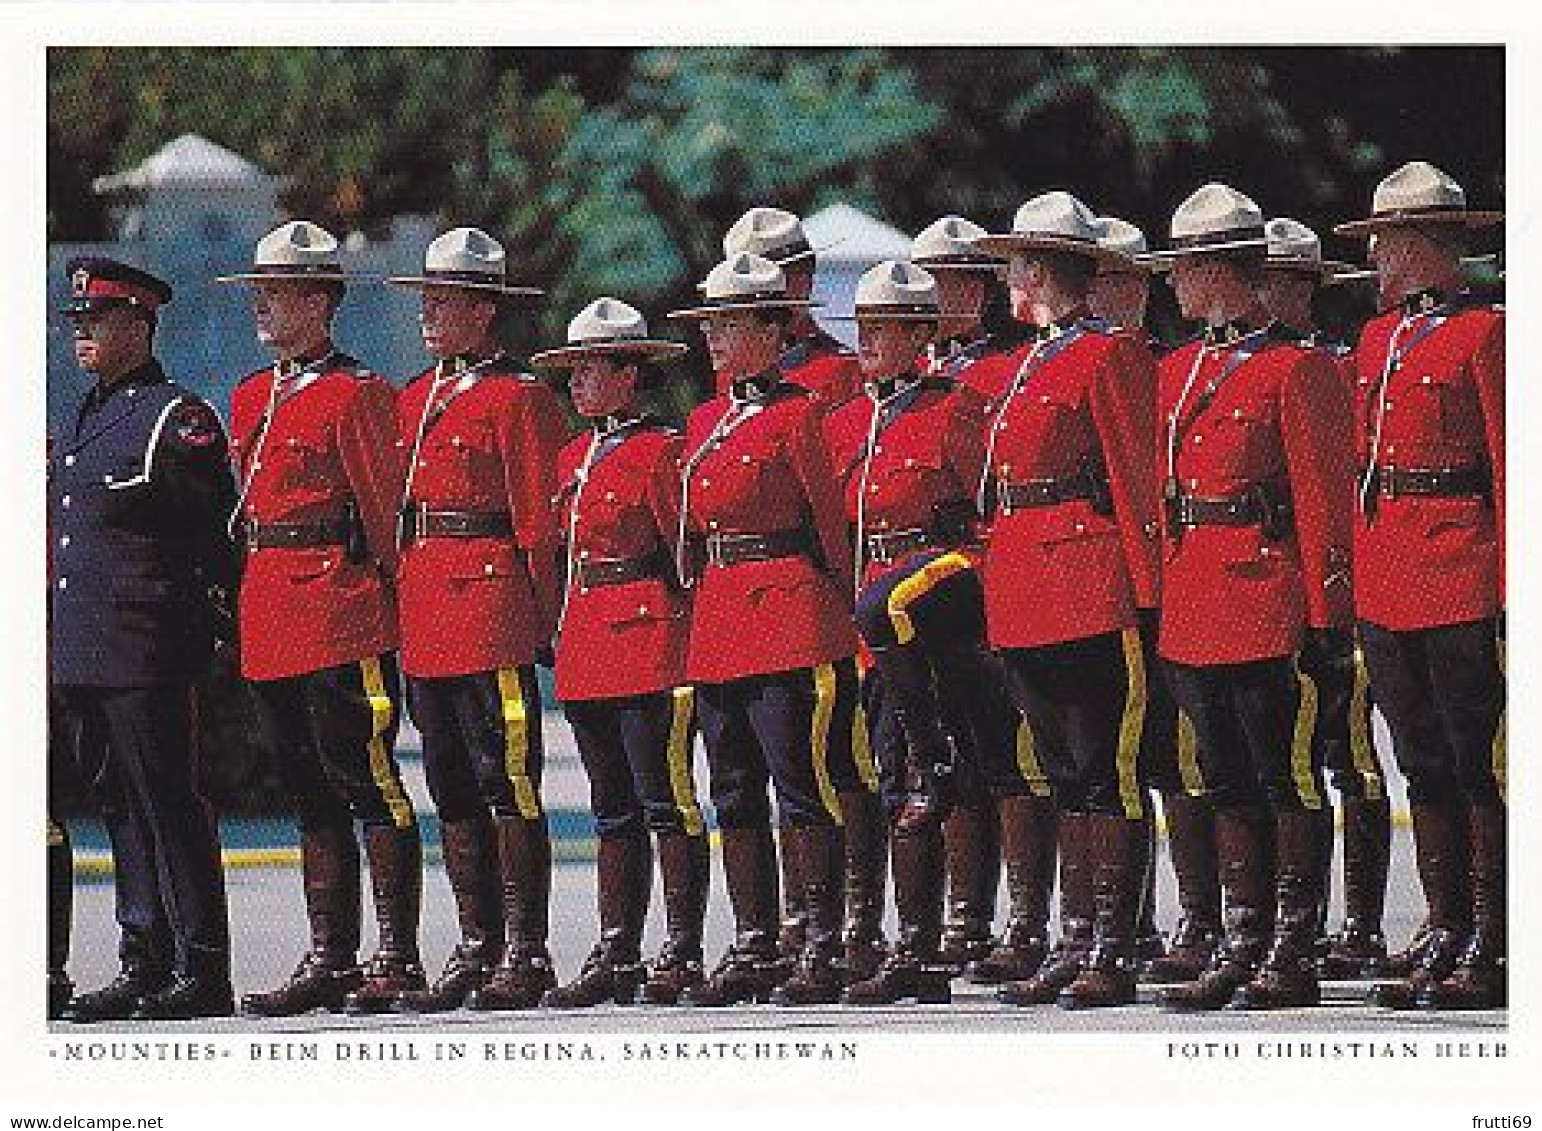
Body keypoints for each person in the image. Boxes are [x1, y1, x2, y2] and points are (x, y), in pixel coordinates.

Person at [1140, 184, 1354, 1011]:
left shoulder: (1294, 369)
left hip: (1268, 595)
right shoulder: (1179, 369)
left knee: (1286, 775)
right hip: (1197, 599)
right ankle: (1242, 939)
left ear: (1217, 271)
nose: (1173, 288)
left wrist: (1327, 616)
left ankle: (1292, 948)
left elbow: (1324, 498)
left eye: (1183, 270)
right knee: (1223, 777)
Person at [217, 221, 423, 1017]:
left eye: (276, 293)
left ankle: (396, 956)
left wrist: (387, 605)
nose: (261, 307)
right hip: (273, 606)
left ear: (320, 301)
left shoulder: (359, 393)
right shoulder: (250, 394)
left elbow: (381, 511)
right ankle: (329, 956)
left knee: (367, 778)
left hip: (341, 607)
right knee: (307, 789)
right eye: (258, 293)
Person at [967, 193, 1161, 1010]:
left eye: (1015, 265)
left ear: (1039, 271)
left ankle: (1114, 944)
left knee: (1102, 768)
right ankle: (1074, 934)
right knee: (1058, 769)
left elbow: (1133, 477)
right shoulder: (1025, 365)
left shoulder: (1106, 356)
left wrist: (1149, 600)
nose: (1007, 280)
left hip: (1088, 583)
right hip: (1025, 585)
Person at [381, 228, 569, 1013]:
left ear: (484, 310)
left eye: (446, 300)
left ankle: (524, 949)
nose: (428, 310)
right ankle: (474, 944)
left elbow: (539, 524)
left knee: (507, 779)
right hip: (428, 607)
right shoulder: (414, 397)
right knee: (450, 783)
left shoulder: (518, 398)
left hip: (490, 605)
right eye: (426, 296)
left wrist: (545, 620)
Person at [666, 253, 860, 1006]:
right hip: (720, 620)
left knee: (800, 785)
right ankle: (753, 940)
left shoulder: (801, 413)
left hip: (791, 617)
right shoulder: (706, 418)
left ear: (771, 330)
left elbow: (831, 528)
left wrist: (844, 617)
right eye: (709, 322)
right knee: (733, 787)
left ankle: (820, 937)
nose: (713, 336)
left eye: (729, 322)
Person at [1334, 161, 1505, 1010]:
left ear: (1429, 246)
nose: (1378, 259)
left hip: (1462, 567)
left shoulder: (1486, 333)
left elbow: (1512, 469)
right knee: (1423, 763)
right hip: (1391, 572)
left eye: (1388, 242)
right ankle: (1444, 923)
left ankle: (1492, 936)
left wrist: (1513, 593)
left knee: (1479, 766)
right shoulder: (1377, 339)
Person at [50, 257, 236, 1021]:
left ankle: (202, 967)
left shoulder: (175, 416)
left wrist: (198, 631)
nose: (82, 334)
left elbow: (216, 539)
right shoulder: (82, 420)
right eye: (77, 323)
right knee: (117, 805)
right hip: (84, 645)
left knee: (168, 802)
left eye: (96, 320)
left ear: (139, 324)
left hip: (148, 645)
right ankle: (143, 956)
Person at [819, 259, 995, 1005]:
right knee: (894, 769)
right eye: (863, 326)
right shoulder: (847, 421)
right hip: (873, 612)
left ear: (922, 336)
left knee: (939, 763)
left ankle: (957, 932)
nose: (868, 340)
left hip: (938, 605)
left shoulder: (952, 408)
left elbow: (984, 514)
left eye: (886, 328)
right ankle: (913, 946)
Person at [530, 298, 708, 1007]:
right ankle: (617, 950)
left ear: (629, 377)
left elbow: (684, 549)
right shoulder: (573, 457)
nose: (576, 382)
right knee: (611, 807)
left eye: (591, 368)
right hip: (588, 638)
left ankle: (682, 948)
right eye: (571, 369)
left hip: (650, 634)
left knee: (666, 800)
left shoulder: (661, 451)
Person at [720, 207, 878, 978]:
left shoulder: (839, 375)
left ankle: (845, 920)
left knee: (828, 769)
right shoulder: (727, 393)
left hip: (814, 595)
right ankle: (777, 926)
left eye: (779, 273)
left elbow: (838, 500)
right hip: (741, 607)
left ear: (803, 281)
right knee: (750, 777)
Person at [909, 215, 1046, 980]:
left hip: (983, 573)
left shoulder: (1010, 365)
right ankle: (965, 915)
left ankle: (1023, 919)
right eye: (929, 279)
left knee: (1006, 753)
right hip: (916, 587)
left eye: (954, 280)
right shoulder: (915, 370)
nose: (939, 294)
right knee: (945, 754)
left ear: (983, 288)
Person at [1259, 216, 1394, 981]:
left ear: (1305, 289)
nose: (1265, 292)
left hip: (1355, 577)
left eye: (1278, 280)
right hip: (1284, 581)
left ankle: (1365, 922)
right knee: (1290, 755)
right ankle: (1292, 921)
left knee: (1354, 757)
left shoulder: (1337, 367)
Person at [1089, 213, 1193, 978]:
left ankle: (1200, 915)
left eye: (1118, 279)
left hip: (1176, 583)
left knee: (1180, 760)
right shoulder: (1091, 362)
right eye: (1095, 280)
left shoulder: (1173, 364)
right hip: (1110, 585)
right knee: (1115, 763)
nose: (1104, 293)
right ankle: (1126, 922)